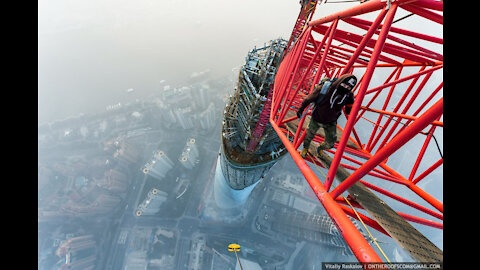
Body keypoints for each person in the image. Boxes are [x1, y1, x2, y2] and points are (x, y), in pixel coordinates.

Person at [296, 73, 357, 158]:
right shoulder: (326, 88)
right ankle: (305, 148)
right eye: (344, 85)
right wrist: (301, 110)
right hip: (316, 118)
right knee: (309, 136)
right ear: (340, 82)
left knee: (331, 144)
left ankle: (320, 147)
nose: (345, 88)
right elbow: (308, 99)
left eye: (348, 87)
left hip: (330, 122)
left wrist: (349, 110)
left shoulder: (348, 95)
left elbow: (349, 105)